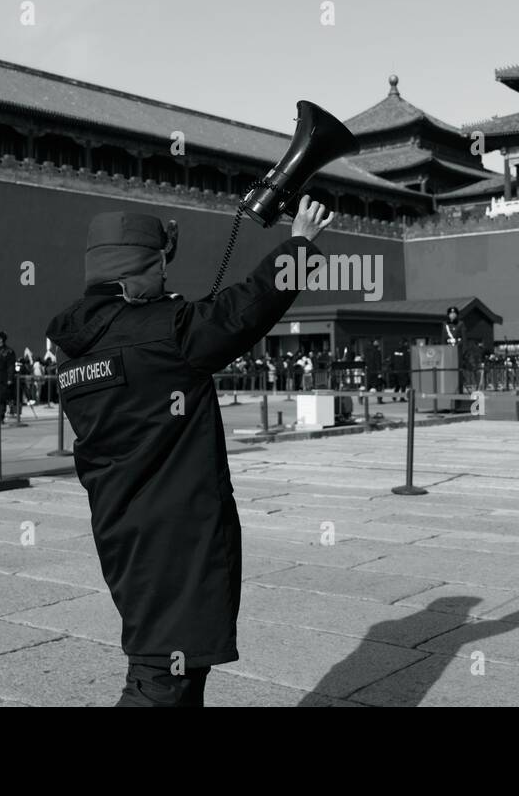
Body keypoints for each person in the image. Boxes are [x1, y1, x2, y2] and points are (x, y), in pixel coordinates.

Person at [46, 195, 334, 708]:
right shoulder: (167, 331)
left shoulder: (74, 348)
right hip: (178, 532)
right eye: (160, 264)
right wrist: (300, 244)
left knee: (171, 663)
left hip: (121, 525)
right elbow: (244, 308)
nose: (165, 276)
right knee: (162, 681)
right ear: (141, 269)